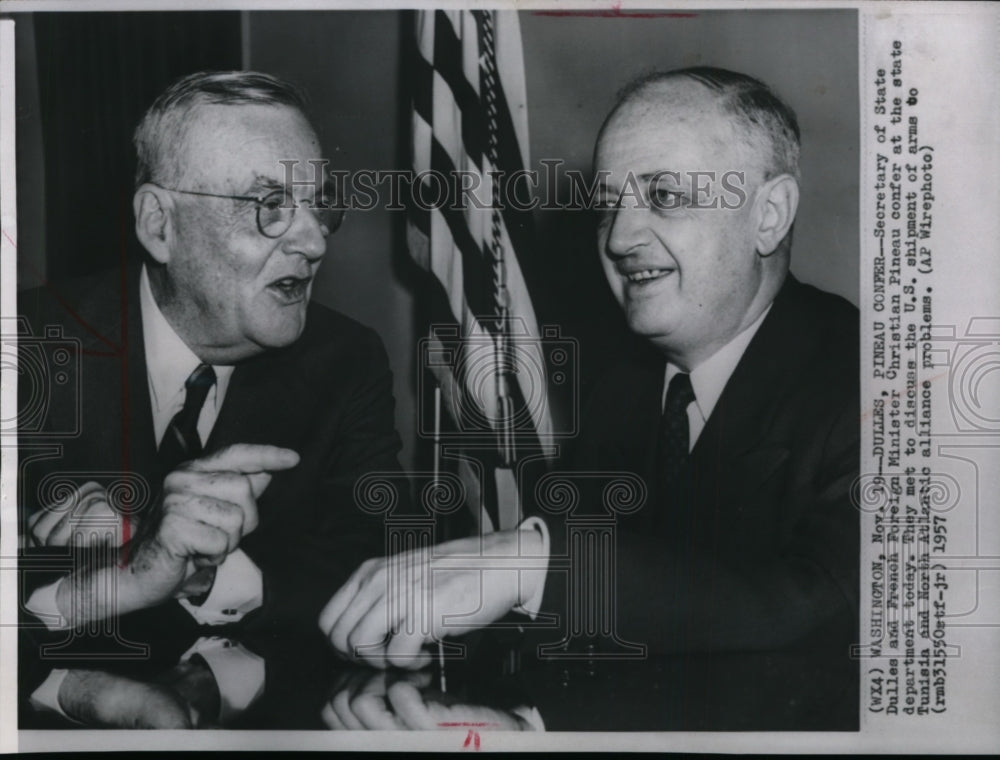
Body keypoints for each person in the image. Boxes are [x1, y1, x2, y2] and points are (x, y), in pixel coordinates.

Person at [319, 67, 859, 729]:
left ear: (769, 215)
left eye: (663, 195)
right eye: (608, 204)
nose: (617, 238)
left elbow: (827, 608)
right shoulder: (618, 388)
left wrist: (536, 565)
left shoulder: (874, 380)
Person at [18, 70, 405, 725]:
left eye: (319, 204)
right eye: (268, 205)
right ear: (159, 224)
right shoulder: (23, 350)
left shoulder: (347, 360)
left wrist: (202, 577)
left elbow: (379, 563)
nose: (313, 241)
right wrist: (97, 618)